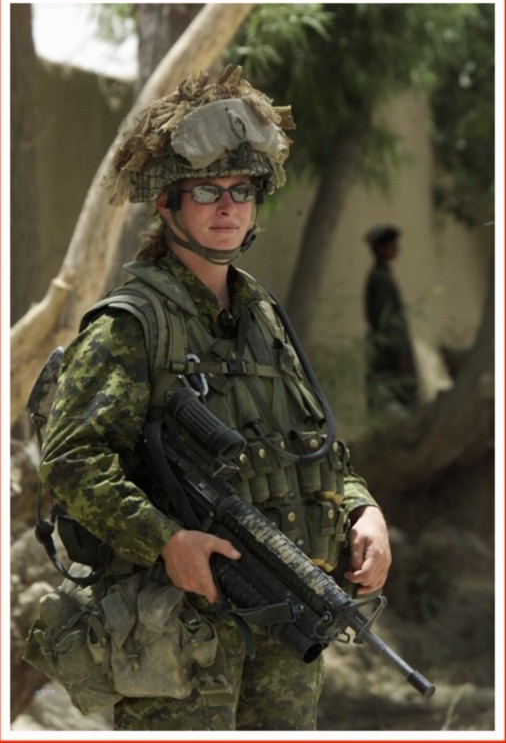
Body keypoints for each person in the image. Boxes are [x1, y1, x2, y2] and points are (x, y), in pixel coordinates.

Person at [37, 66, 391, 731]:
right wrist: (166, 540)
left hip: (286, 623)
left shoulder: (263, 316)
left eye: (241, 190)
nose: (227, 206)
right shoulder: (131, 324)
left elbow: (311, 445)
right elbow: (71, 461)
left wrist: (361, 508)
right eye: (206, 190)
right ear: (167, 203)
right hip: (181, 633)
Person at [363, 224, 419, 417]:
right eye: (390, 245)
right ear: (378, 249)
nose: (396, 248)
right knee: (394, 404)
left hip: (391, 354)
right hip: (389, 357)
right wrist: (400, 354)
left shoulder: (383, 276)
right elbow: (386, 322)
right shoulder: (380, 280)